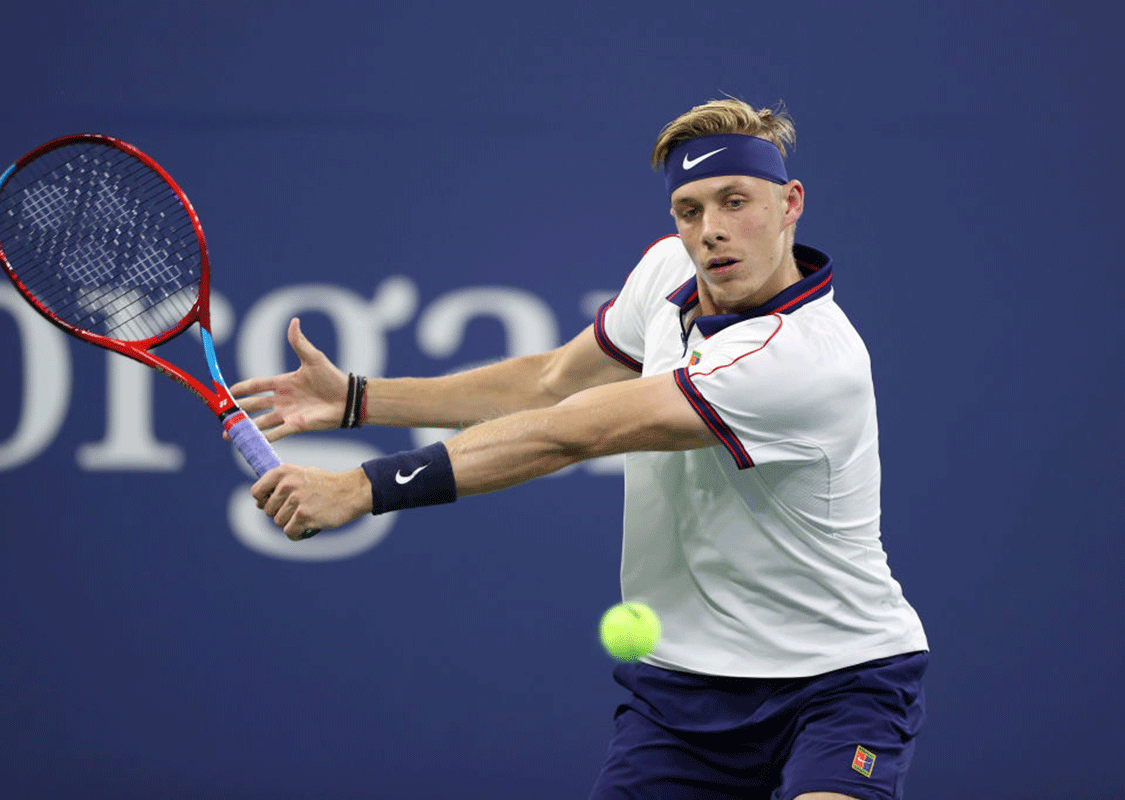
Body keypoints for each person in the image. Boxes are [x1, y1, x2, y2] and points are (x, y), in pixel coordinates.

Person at [232, 98, 929, 800]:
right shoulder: (667, 273)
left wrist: (359, 487)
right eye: (690, 211)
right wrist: (358, 399)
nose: (712, 231)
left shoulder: (803, 360)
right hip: (681, 691)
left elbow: (572, 430)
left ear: (790, 204)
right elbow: (550, 382)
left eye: (735, 200)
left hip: (839, 681)